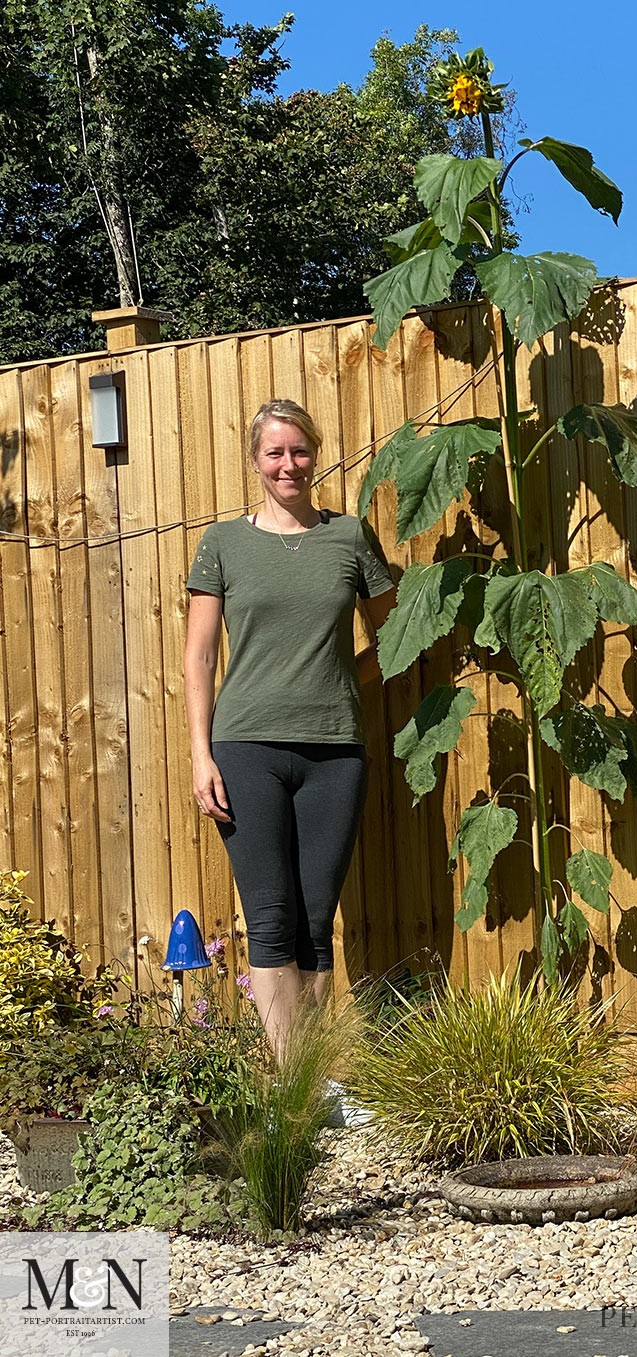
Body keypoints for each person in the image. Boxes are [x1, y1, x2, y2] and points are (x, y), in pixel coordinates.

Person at [182, 398, 396, 1082]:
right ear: (256, 461)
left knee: (314, 918)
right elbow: (199, 658)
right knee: (270, 916)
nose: (288, 464)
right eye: (274, 452)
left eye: (299, 451)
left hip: (334, 749)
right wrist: (200, 753)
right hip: (245, 747)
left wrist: (339, 678)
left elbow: (396, 638)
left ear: (316, 454)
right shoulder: (223, 543)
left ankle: (314, 1075)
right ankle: (291, 1088)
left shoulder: (350, 537)